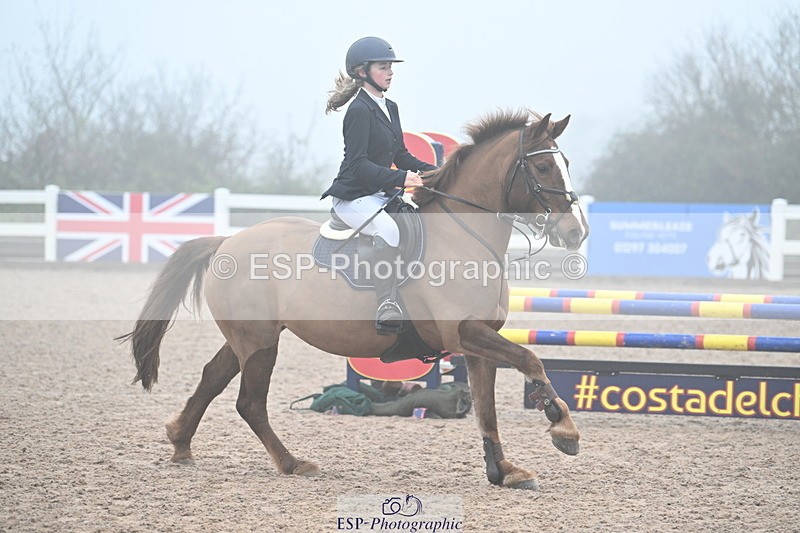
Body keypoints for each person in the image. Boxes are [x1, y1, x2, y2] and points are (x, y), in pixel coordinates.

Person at [322, 36, 437, 336]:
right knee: (390, 230)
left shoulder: (390, 106)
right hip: (352, 197)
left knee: (414, 223)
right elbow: (358, 165)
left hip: (377, 194)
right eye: (383, 67)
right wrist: (402, 179)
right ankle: (386, 302)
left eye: (390, 67)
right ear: (362, 72)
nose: (390, 72)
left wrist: (438, 172)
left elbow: (400, 154)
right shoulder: (358, 110)